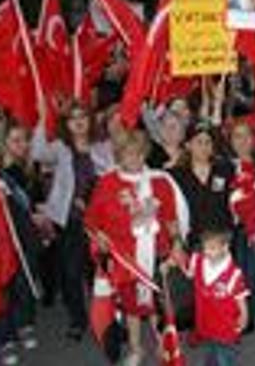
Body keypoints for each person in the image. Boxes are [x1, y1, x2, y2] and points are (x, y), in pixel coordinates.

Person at [85, 129, 188, 366]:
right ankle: (136, 348)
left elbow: (171, 220)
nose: (135, 159)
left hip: (158, 253)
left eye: (140, 153)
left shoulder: (160, 181)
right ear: (119, 156)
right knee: (131, 306)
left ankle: (163, 343)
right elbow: (91, 220)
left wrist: (177, 244)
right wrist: (99, 235)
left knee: (159, 303)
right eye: (129, 154)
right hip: (126, 259)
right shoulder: (107, 182)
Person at [30, 102, 107, 341]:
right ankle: (78, 319)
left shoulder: (103, 146)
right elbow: (36, 153)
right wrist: (43, 119)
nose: (79, 121)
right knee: (71, 273)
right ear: (66, 123)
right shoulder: (60, 148)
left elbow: (112, 175)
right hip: (69, 221)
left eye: (83, 115)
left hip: (99, 221)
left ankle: (104, 318)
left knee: (99, 272)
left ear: (90, 119)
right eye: (73, 118)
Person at [0, 119, 44, 366]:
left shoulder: (29, 168)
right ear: (2, 143)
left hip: (28, 236)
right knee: (5, 287)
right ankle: (6, 337)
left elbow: (34, 201)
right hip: (4, 239)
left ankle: (26, 323)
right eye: (16, 140)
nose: (23, 145)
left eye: (25, 140)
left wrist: (40, 214)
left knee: (26, 280)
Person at [168, 225, 249, 366]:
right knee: (212, 348)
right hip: (207, 320)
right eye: (205, 248)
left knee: (224, 355)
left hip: (226, 325)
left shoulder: (233, 274)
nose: (207, 252)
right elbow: (189, 273)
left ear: (225, 248)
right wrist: (179, 262)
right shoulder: (198, 261)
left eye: (212, 248)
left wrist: (244, 315)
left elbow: (240, 298)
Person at [170, 120, 234, 249]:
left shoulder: (225, 170)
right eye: (199, 142)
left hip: (223, 242)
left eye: (208, 142)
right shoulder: (176, 176)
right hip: (193, 242)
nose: (204, 147)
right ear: (188, 145)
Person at [227, 119, 255, 334]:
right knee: (230, 275)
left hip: (254, 229)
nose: (242, 141)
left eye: (246, 135)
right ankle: (229, 314)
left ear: (254, 139)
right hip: (229, 230)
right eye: (237, 136)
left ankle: (248, 319)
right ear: (230, 140)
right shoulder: (224, 165)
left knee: (249, 275)